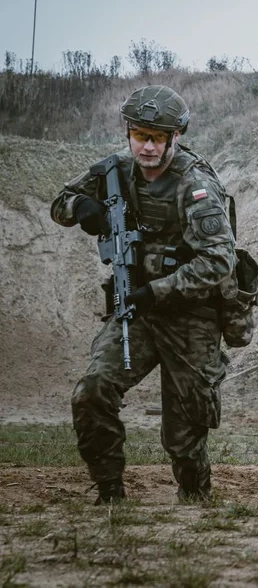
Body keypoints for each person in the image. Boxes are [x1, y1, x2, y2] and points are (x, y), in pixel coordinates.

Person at [51, 85, 237, 505]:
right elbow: (60, 201)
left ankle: (194, 494)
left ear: (175, 137)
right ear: (128, 133)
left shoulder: (197, 185)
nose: (147, 147)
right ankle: (110, 492)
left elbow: (218, 261)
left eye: (157, 138)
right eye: (140, 136)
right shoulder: (114, 172)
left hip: (190, 314)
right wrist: (82, 208)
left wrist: (156, 291)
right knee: (93, 389)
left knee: (184, 429)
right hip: (135, 310)